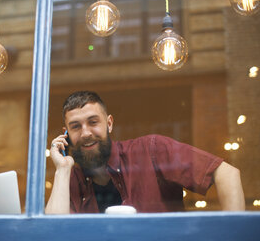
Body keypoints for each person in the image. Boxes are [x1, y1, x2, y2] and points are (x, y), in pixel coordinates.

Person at [45, 91, 245, 214]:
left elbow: (226, 173)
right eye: (75, 127)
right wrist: (62, 170)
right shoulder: (72, 179)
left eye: (93, 122)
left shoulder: (151, 150)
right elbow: (52, 232)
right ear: (67, 134)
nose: (86, 133)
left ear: (109, 124)